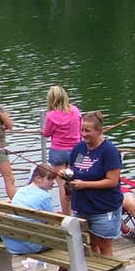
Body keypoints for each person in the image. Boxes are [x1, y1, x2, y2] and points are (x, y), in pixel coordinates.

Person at [66, 111, 122, 257]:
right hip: (81, 206)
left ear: (98, 130)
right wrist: (66, 175)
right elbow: (72, 169)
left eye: (87, 131)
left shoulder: (109, 151)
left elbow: (112, 181)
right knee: (89, 243)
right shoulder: (79, 148)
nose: (83, 134)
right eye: (82, 130)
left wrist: (85, 184)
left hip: (103, 207)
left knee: (104, 244)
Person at [42, 85, 81, 214]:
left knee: (62, 184)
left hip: (58, 152)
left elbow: (46, 133)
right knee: (76, 182)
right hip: (76, 151)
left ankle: (66, 214)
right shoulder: (75, 111)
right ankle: (78, 211)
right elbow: (80, 127)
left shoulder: (51, 115)